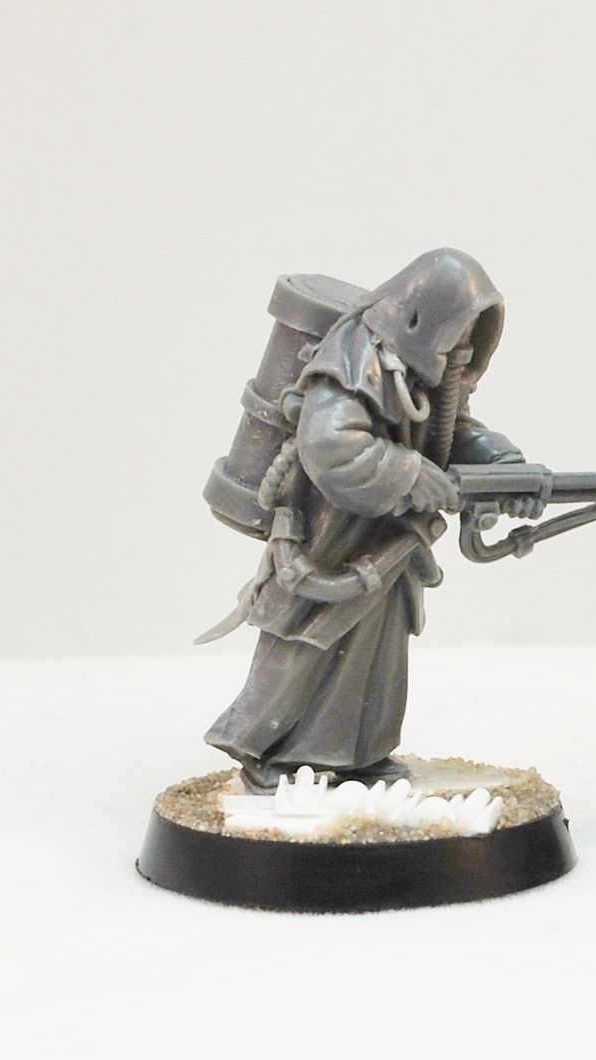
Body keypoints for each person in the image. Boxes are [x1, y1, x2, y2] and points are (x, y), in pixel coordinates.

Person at [205, 249, 531, 792]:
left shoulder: (423, 368)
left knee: (376, 654)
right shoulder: (354, 357)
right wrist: (407, 472)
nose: (464, 346)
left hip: (387, 538)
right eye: (459, 329)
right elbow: (329, 445)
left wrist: (501, 464)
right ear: (422, 318)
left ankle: (356, 753)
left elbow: (451, 432)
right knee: (305, 639)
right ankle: (261, 748)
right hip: (329, 535)